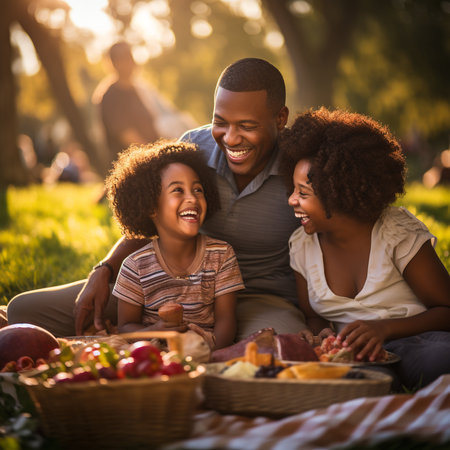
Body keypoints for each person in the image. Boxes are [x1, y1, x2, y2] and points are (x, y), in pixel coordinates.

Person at [7, 58, 307, 340]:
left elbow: (336, 241)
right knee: (25, 311)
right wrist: (105, 269)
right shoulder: (193, 148)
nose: (230, 138)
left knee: (278, 345)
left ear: (280, 118)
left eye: (247, 126)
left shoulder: (300, 168)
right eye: (221, 122)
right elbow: (156, 223)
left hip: (260, 301)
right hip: (167, 288)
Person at [280, 107, 450, 390]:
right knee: (356, 384)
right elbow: (313, 314)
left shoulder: (396, 233)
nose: (292, 201)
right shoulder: (302, 246)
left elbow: (446, 308)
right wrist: (319, 333)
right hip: (353, 356)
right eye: (292, 190)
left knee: (440, 360)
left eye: (303, 193)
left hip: (415, 342)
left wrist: (383, 329)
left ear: (338, 193)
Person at [105, 141, 243, 350]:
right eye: (178, 190)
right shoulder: (135, 267)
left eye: (198, 189)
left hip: (204, 351)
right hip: (154, 358)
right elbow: (125, 327)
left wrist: (214, 353)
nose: (192, 198)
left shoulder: (221, 254)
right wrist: (156, 330)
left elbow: (226, 320)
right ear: (151, 206)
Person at [92, 41, 196, 169]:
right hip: (133, 164)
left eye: (131, 57)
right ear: (115, 63)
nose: (132, 62)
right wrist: (157, 153)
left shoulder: (139, 90)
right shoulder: (110, 95)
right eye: (126, 58)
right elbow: (127, 136)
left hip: (152, 155)